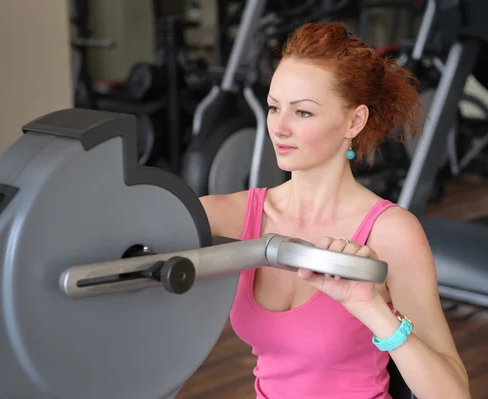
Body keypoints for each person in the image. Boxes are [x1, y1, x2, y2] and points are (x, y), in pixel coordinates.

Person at [200, 22, 470, 399]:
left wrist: (372, 309)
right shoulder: (238, 214)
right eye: (275, 108)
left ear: (353, 121)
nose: (279, 127)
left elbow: (452, 395)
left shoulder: (391, 233)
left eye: (303, 113)